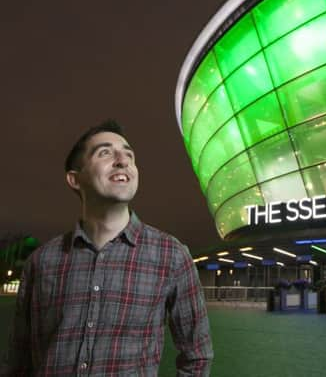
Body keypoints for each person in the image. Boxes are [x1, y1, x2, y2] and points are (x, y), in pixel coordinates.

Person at [1, 120, 213, 376]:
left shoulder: (172, 256)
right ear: (74, 179)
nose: (123, 161)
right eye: (105, 153)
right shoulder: (41, 261)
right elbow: (18, 359)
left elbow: (197, 357)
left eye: (129, 155)